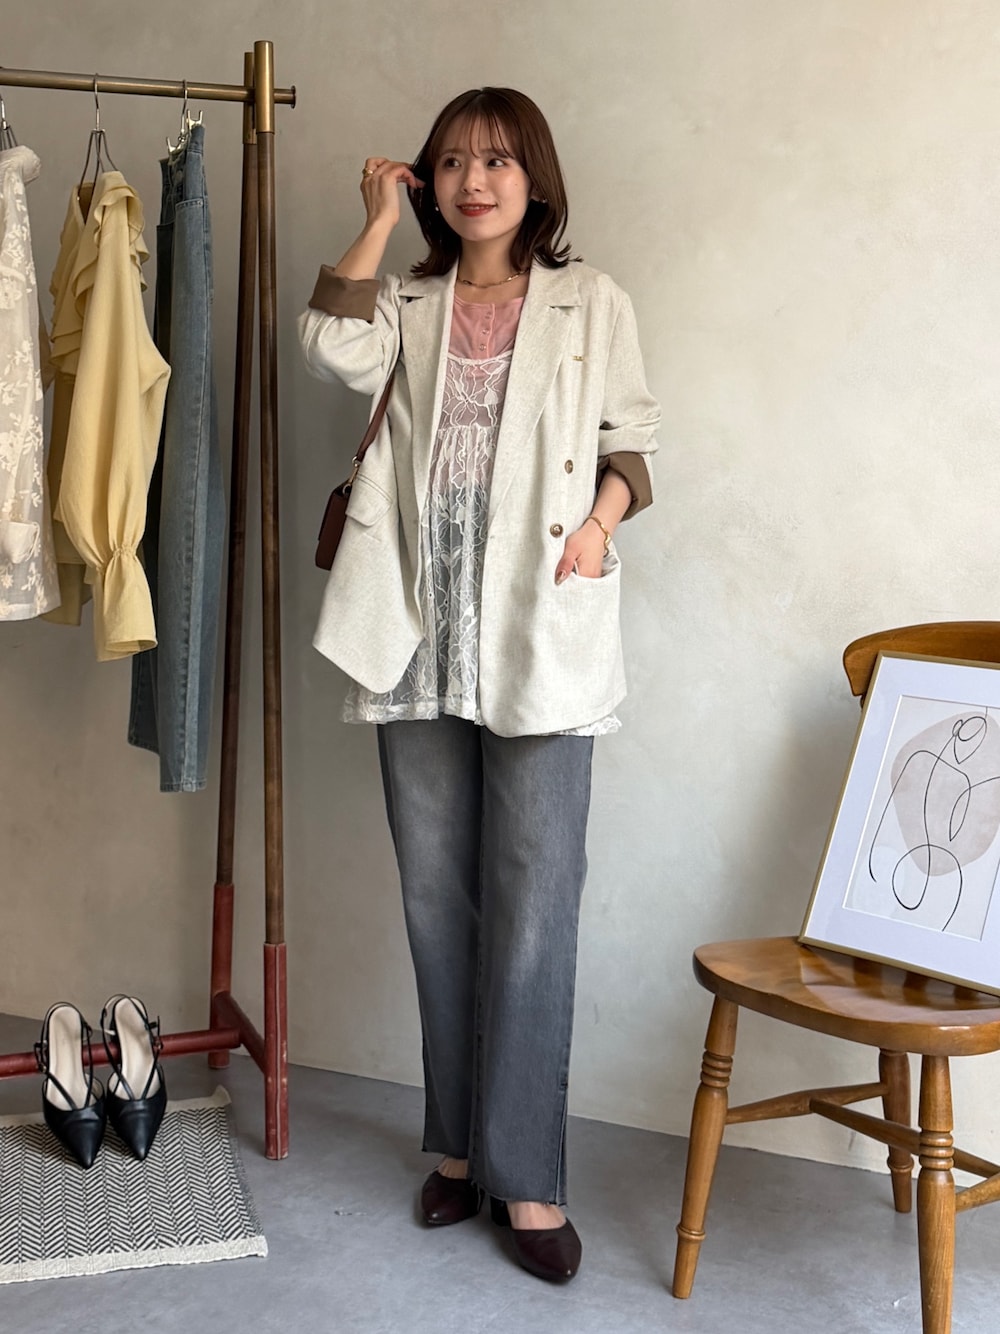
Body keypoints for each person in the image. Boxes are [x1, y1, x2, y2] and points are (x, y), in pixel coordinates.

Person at [299, 86, 659, 1283]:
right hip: (417, 629)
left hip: (538, 623)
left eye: (496, 160)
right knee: (434, 899)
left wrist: (598, 528)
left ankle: (529, 1176)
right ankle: (457, 1147)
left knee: (534, 906)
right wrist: (372, 220)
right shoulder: (406, 302)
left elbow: (631, 441)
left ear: (533, 178)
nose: (473, 180)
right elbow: (326, 344)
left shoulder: (589, 300)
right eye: (450, 161)